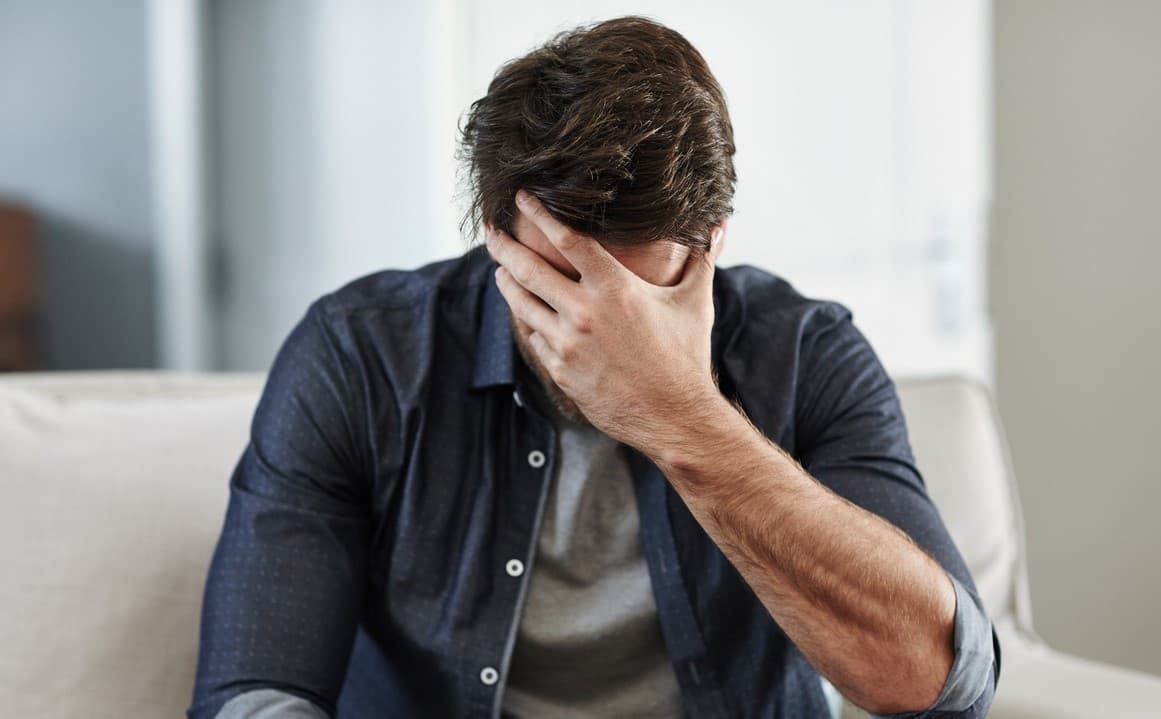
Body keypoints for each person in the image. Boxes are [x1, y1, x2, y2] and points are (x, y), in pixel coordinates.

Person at [188, 15, 998, 719]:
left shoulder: (806, 353)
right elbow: (256, 688)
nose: (591, 328)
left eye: (635, 294)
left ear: (714, 238)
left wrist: (680, 412)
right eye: (557, 283)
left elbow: (936, 679)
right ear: (496, 235)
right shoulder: (357, 354)